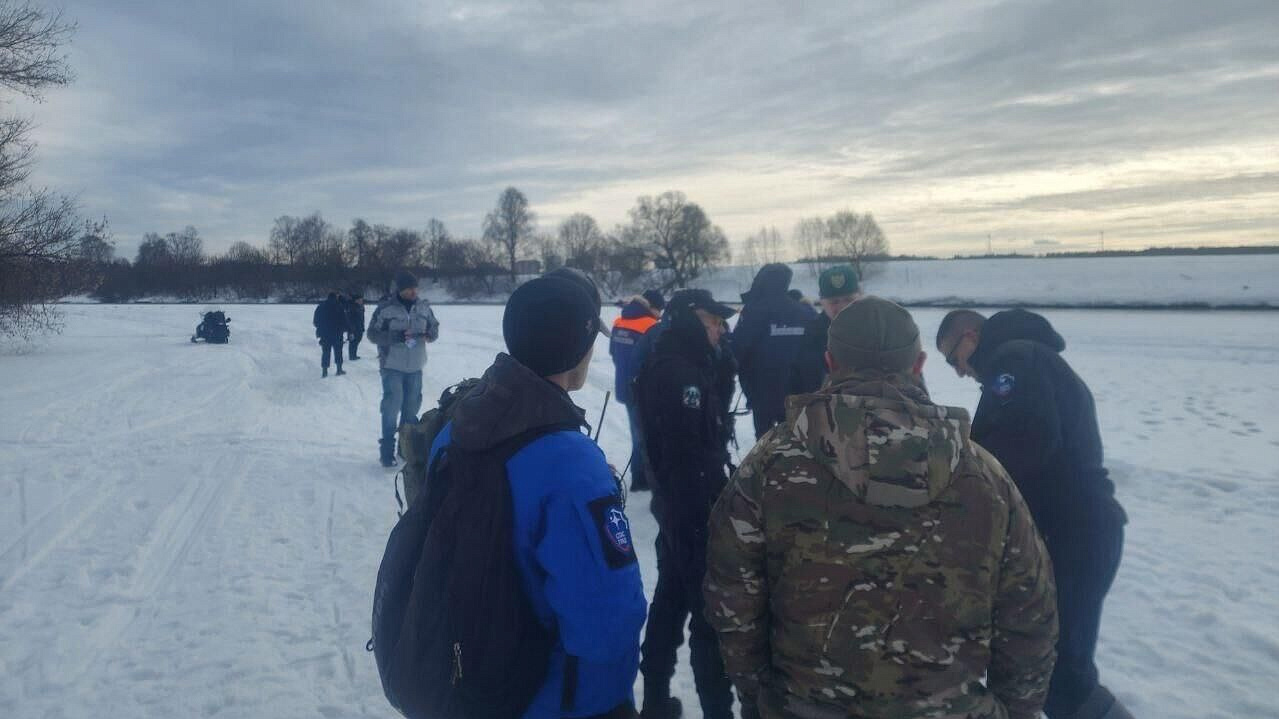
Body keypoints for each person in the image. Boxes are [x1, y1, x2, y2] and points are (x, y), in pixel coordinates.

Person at [705, 297, 1059, 719]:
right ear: (918, 364)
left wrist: (761, 698)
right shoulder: (982, 473)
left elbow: (732, 598)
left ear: (831, 361)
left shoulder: (769, 464)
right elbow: (1030, 613)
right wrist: (1012, 710)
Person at [429, 275, 648, 719]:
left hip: (469, 673)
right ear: (578, 350)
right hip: (557, 700)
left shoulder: (458, 425)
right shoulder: (570, 464)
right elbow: (607, 625)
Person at [936, 309, 1132, 719]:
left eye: (954, 358)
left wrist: (964, 485)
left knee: (1062, 679)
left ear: (971, 336)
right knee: (1054, 672)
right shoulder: (1026, 360)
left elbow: (1025, 442)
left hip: (1074, 534)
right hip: (1075, 531)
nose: (958, 372)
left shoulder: (1015, 359)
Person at [635, 289, 738, 719]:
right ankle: (717, 709)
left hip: (681, 506)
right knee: (707, 617)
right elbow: (685, 454)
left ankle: (657, 697)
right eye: (713, 321)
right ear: (693, 319)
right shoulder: (680, 375)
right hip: (691, 509)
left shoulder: (689, 363)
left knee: (670, 600)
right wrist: (698, 516)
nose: (720, 330)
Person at [732, 263, 816, 439]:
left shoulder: (753, 311)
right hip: (800, 396)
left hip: (762, 395)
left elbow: (738, 350)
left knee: (765, 446)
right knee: (800, 443)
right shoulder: (804, 312)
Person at [367, 271, 440, 467]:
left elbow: (434, 327)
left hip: (416, 366)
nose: (413, 291)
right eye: (409, 288)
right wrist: (396, 337)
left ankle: (405, 448)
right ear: (399, 289)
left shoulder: (423, 307)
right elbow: (372, 334)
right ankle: (387, 451)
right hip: (392, 366)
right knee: (391, 407)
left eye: (415, 288)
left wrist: (429, 335)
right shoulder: (385, 309)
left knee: (411, 409)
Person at [609, 292, 663, 492]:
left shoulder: (619, 322)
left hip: (624, 385)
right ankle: (642, 480)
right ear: (653, 307)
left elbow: (613, 353)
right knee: (645, 434)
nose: (660, 315)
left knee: (637, 431)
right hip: (644, 389)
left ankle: (640, 477)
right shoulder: (651, 326)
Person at [788, 264, 862, 395]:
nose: (843, 307)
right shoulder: (810, 337)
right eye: (834, 302)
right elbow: (801, 385)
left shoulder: (879, 330)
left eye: (849, 299)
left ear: (860, 297)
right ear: (822, 302)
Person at [313, 291, 349, 378]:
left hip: (325, 334)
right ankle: (339, 369)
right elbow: (344, 320)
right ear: (335, 298)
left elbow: (315, 321)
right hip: (337, 333)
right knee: (338, 352)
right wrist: (346, 329)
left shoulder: (321, 306)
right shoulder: (339, 306)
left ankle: (324, 371)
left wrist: (321, 328)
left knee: (325, 352)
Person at [345, 293, 366, 360]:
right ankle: (352, 356)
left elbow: (362, 318)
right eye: (360, 300)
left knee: (357, 341)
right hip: (353, 328)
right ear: (356, 300)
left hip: (359, 327)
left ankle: (354, 354)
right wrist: (351, 329)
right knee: (353, 341)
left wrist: (362, 327)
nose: (361, 301)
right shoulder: (352, 307)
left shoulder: (361, 307)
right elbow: (349, 319)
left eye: (362, 300)